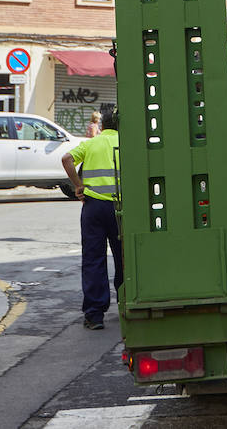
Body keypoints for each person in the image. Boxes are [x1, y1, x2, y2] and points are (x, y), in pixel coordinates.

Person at [62, 121, 123, 329]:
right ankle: (125, 305)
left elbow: (66, 159)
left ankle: (95, 315)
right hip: (121, 208)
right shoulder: (126, 143)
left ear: (102, 125)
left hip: (94, 206)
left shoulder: (91, 144)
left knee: (93, 259)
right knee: (124, 256)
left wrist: (78, 186)